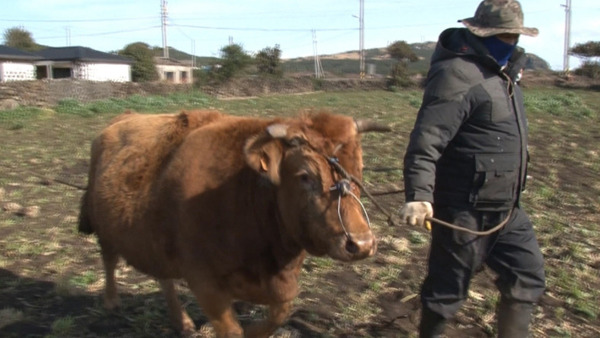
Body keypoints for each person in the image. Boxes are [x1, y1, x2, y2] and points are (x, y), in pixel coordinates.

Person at [399, 1, 546, 337]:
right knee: (446, 293)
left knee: (527, 276)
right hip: (463, 210)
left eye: (514, 35)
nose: (510, 41)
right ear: (481, 33)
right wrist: (419, 194)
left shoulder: (505, 76)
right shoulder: (457, 74)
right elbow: (427, 140)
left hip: (507, 210)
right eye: (503, 34)